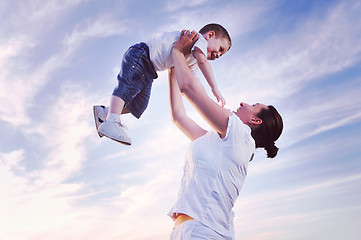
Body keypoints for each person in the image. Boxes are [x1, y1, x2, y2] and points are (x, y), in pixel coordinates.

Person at [167, 30, 283, 240]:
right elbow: (178, 117)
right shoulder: (223, 143)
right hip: (190, 230)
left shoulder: (240, 134)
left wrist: (177, 50)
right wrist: (174, 66)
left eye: (253, 105)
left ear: (255, 121)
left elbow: (189, 88)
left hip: (203, 232)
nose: (243, 103)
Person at [93, 23, 232, 145]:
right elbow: (203, 63)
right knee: (127, 87)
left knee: (139, 105)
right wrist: (215, 88)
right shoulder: (197, 40)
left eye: (222, 55)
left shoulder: (192, 59)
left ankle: (103, 112)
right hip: (142, 55)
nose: (218, 55)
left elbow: (195, 82)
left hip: (150, 70)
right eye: (220, 49)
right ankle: (112, 119)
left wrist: (207, 99)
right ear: (210, 35)